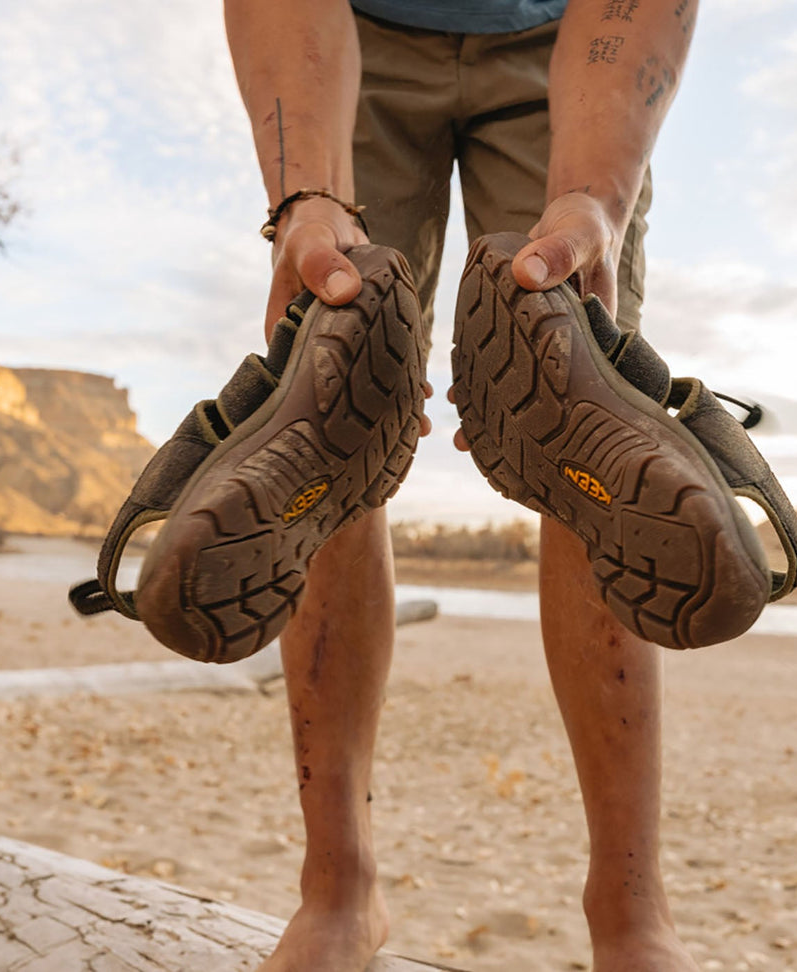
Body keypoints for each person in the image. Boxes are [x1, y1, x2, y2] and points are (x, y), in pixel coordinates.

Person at [223, 2, 707, 969]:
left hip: (566, 36)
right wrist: (306, 195)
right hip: (351, 36)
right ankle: (338, 891)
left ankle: (630, 913)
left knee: (585, 414)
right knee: (331, 410)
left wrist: (597, 199)